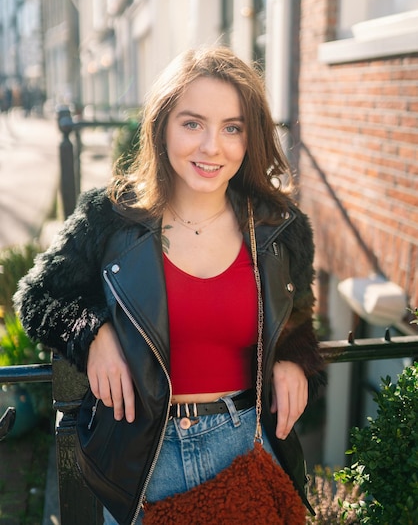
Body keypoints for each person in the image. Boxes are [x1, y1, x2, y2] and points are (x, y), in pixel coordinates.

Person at [14, 46, 326, 525]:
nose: (211, 147)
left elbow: (300, 322)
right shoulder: (110, 216)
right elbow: (37, 296)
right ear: (162, 125)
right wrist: (93, 334)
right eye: (192, 123)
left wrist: (295, 361)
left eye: (232, 127)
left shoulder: (280, 229)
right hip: (143, 460)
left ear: (250, 137)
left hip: (246, 446)